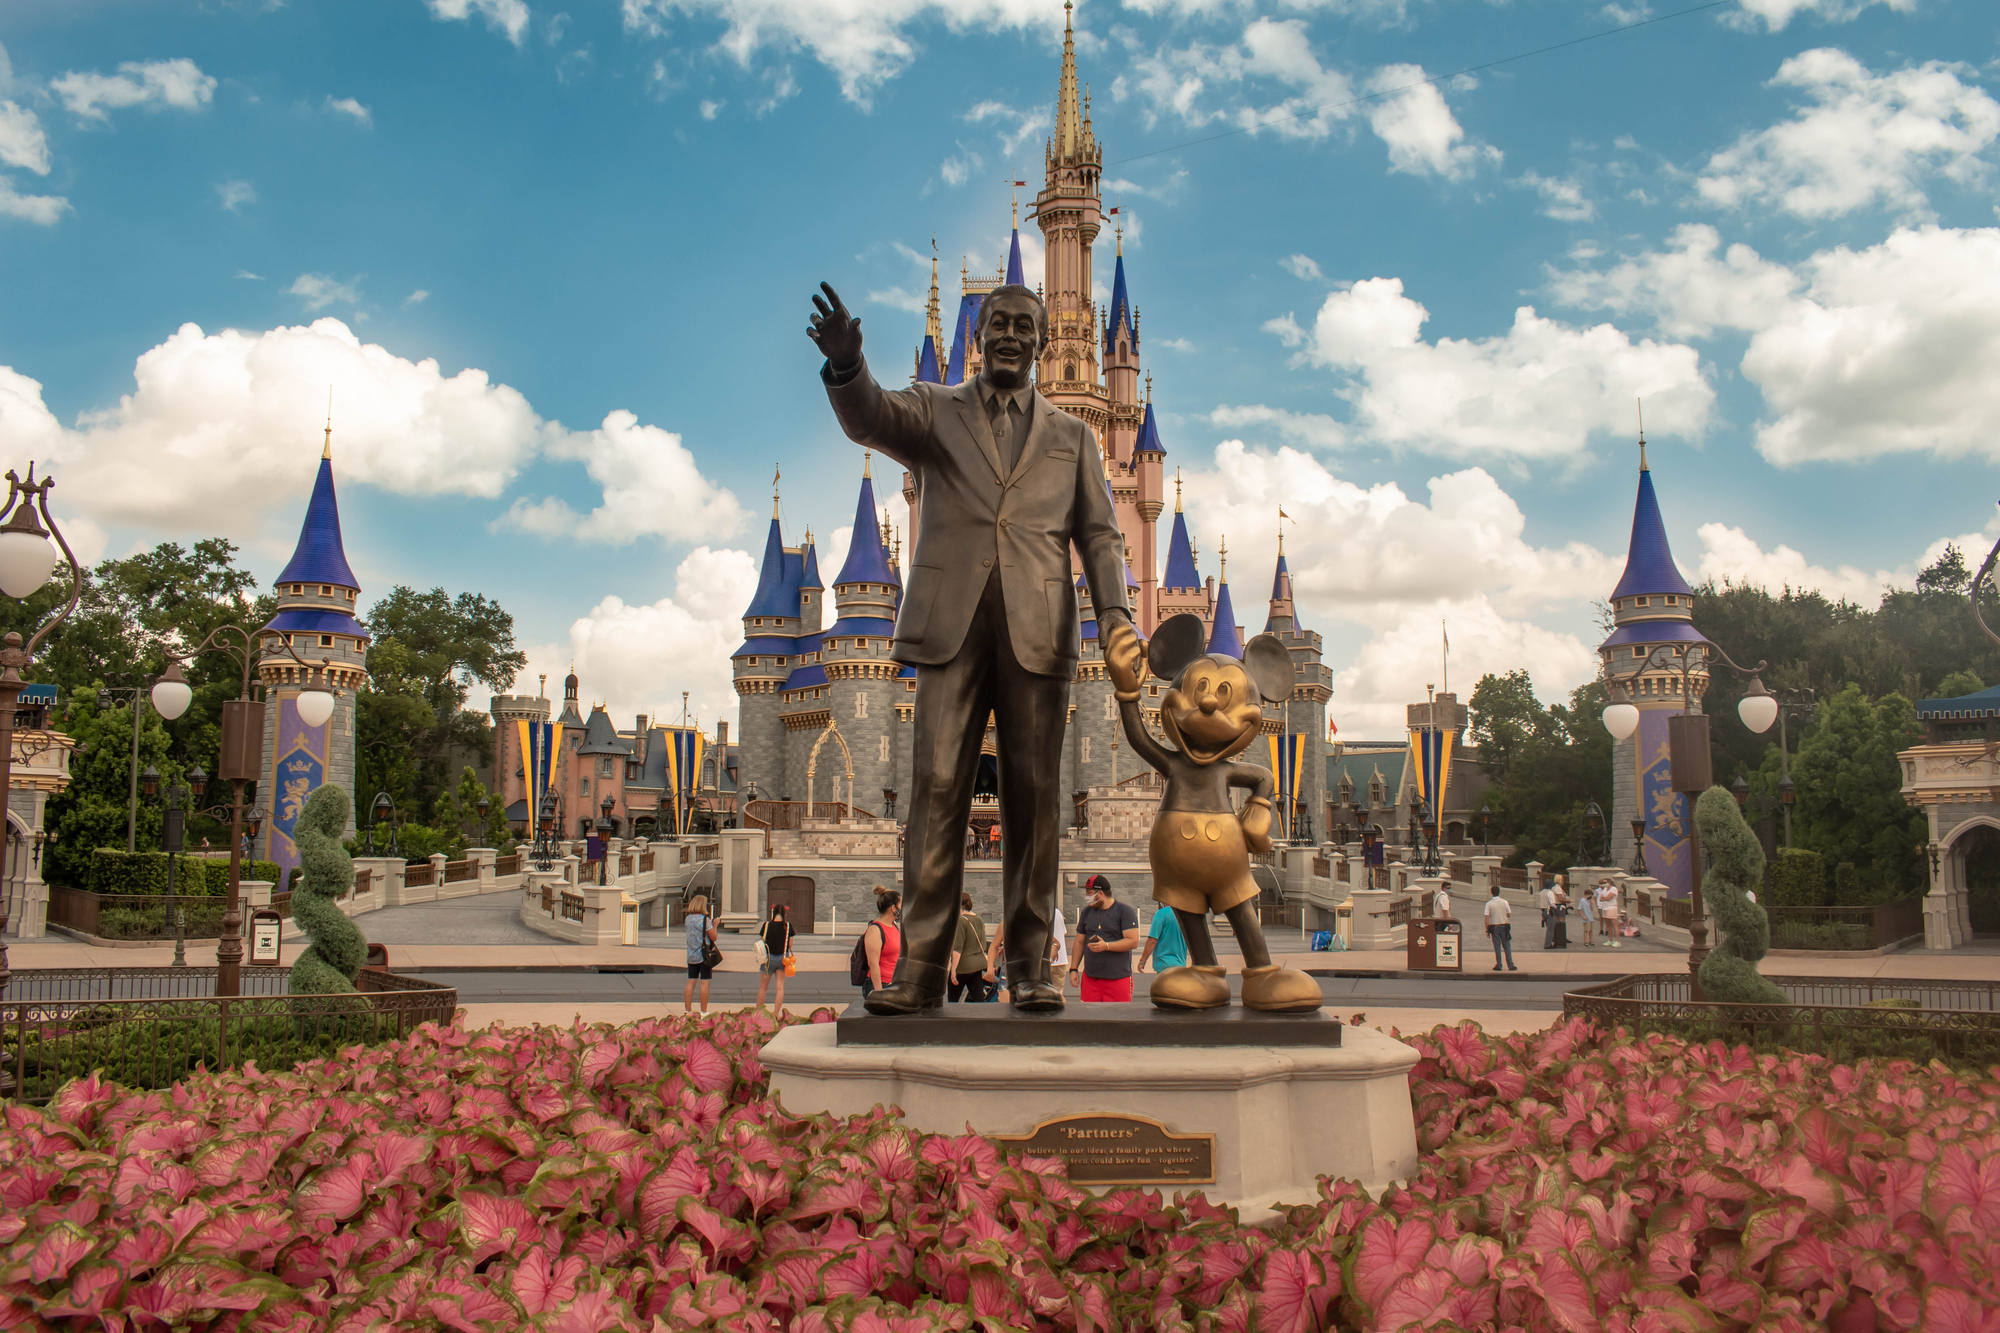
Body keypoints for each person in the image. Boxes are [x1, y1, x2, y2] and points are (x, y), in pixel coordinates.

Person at [810, 280, 1136, 1015]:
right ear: (978, 335)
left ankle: (1028, 965)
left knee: (1035, 801)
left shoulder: (1074, 435)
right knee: (934, 791)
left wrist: (1115, 615)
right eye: (999, 324)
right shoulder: (936, 408)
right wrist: (847, 368)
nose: (1012, 335)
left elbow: (1102, 534)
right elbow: (872, 417)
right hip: (950, 627)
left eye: (1026, 325)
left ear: (1044, 341)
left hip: (1039, 631)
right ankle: (920, 966)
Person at [1071, 875, 1140, 1002]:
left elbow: (1133, 941)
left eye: (1089, 893)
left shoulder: (1124, 912)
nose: (1087, 897)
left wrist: (1106, 946)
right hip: (1091, 979)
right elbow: (1079, 941)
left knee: (1118, 1018)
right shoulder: (1087, 912)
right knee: (1089, 1017)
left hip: (1118, 979)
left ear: (1100, 893)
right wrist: (1073, 969)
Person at [948, 892, 991, 1002]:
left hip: (963, 967)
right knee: (978, 1001)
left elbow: (957, 949)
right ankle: (980, 1019)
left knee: (952, 1002)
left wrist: (953, 970)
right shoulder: (979, 919)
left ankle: (952, 1019)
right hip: (977, 966)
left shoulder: (961, 921)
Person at [861, 890, 902, 997]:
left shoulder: (894, 927)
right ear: (893, 908)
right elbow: (873, 964)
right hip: (882, 985)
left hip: (895, 984)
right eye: (901, 905)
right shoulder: (875, 930)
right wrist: (879, 993)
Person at [683, 893, 718, 1013]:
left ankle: (687, 1010)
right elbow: (713, 937)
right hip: (704, 956)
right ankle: (703, 1011)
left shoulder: (688, 919)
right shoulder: (705, 920)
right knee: (704, 983)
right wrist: (715, 925)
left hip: (691, 954)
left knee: (691, 981)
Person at [756, 903, 793, 1010]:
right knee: (780, 988)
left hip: (768, 959)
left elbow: (762, 941)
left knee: (763, 988)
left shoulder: (767, 925)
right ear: (784, 914)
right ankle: (776, 1012)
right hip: (783, 958)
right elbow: (790, 945)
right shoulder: (788, 926)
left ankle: (758, 1012)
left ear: (774, 913)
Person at [1138, 904, 1189, 974]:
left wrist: (1142, 961)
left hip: (1164, 964)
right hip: (1180, 964)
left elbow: (1152, 940)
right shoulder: (1185, 915)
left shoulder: (1161, 914)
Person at [1484, 884, 1517, 971]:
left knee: (1497, 946)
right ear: (1499, 892)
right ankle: (1510, 964)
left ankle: (1499, 964)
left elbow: (1486, 918)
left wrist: (1487, 929)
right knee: (1507, 946)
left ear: (1491, 893)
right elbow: (1509, 914)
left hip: (1494, 926)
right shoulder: (1504, 902)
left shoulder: (1489, 904)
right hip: (1504, 925)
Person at [1595, 880, 1622, 949]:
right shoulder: (1605, 889)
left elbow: (1609, 897)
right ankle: (1610, 940)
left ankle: (1617, 941)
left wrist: (1604, 898)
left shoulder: (1614, 889)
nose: (1604, 884)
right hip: (1605, 908)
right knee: (1608, 924)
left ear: (1609, 883)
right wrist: (1604, 898)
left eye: (1605, 882)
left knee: (1614, 924)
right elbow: (1600, 898)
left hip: (1612, 908)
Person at [1538, 878, 1561, 950]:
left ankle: (1551, 940)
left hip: (1543, 911)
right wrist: (1555, 908)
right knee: (1551, 929)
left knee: (1549, 927)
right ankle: (1548, 944)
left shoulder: (1541, 892)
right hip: (1549, 911)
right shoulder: (1550, 893)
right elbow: (1552, 903)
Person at [1576, 873, 1598, 945]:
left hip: (1590, 917)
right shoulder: (1582, 901)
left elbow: (1591, 909)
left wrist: (1592, 904)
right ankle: (1585, 941)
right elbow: (1579, 909)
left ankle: (1591, 941)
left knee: (1591, 930)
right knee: (1586, 930)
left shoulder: (1589, 901)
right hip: (1586, 917)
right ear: (1587, 895)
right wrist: (1583, 916)